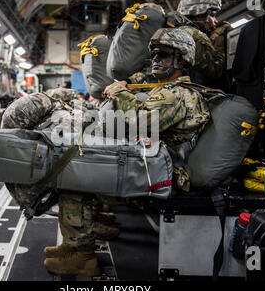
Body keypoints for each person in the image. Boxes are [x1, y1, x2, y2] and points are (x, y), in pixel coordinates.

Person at [43, 28, 211, 276]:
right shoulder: (163, 90)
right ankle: (79, 240)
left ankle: (81, 257)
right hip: (150, 164)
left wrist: (120, 92)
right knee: (82, 160)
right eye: (153, 54)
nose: (155, 60)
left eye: (163, 55)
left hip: (160, 174)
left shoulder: (177, 95)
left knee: (74, 182)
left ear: (182, 60)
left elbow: (139, 121)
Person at [175, 0, 231, 89]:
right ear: (198, 14)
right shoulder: (196, 36)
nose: (216, 21)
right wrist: (218, 39)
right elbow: (215, 71)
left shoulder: (179, 32)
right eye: (212, 15)